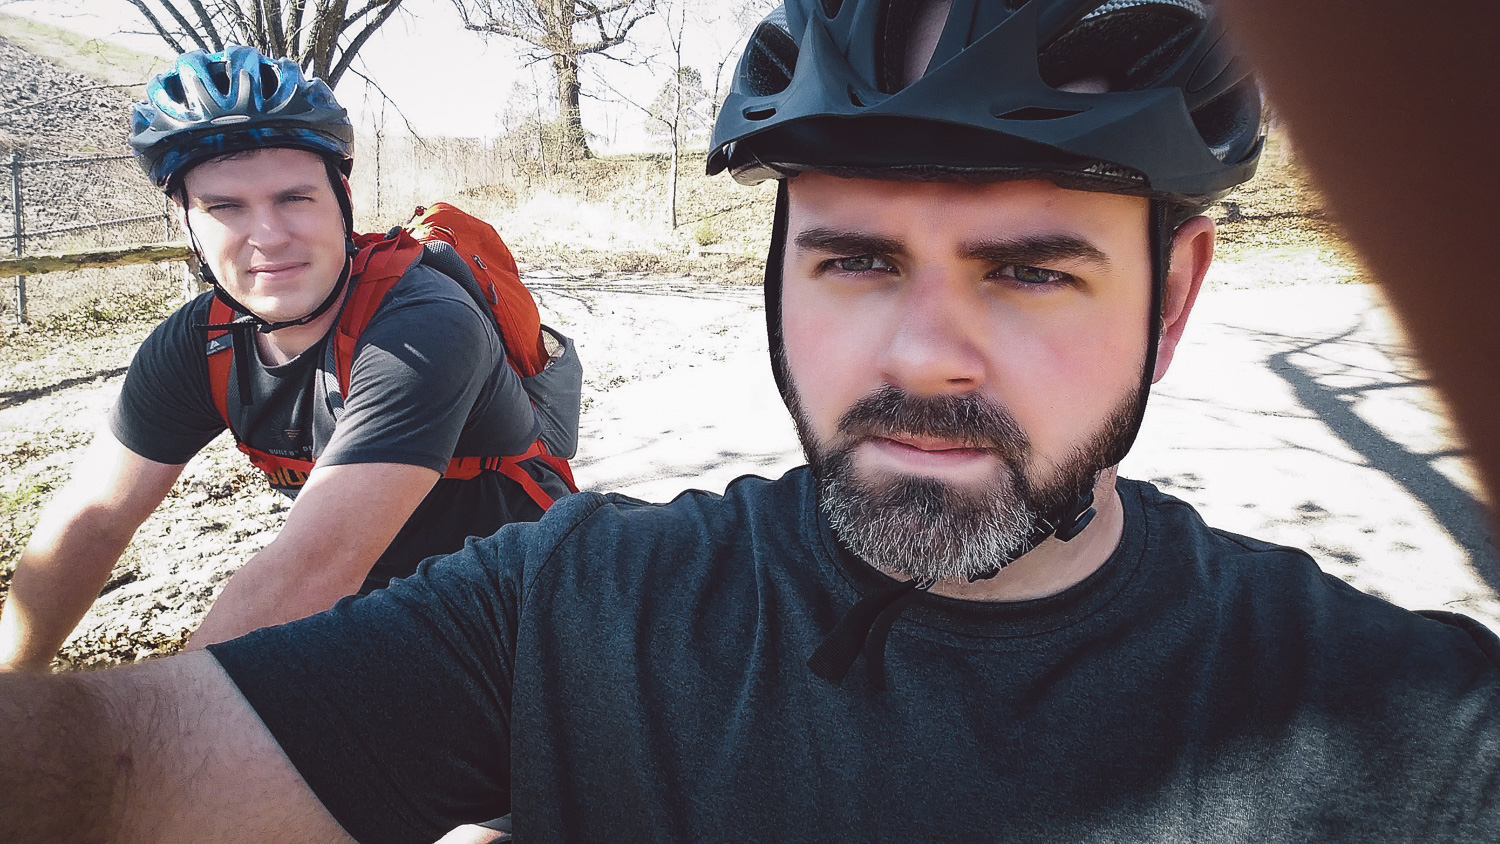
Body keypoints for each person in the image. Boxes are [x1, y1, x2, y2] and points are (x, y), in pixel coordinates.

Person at [3, 1, 1500, 841]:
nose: (927, 350)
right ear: (777, 278)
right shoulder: (576, 611)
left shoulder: (1410, 730)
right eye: (855, 258)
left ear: (1171, 302)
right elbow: (111, 769)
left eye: (1035, 268)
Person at [0, 46, 574, 670]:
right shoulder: (199, 342)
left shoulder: (425, 327)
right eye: (225, 207)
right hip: (380, 604)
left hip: (525, 608)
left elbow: (310, 568)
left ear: (342, 197)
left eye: (295, 198)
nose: (268, 236)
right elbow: (94, 519)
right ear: (185, 221)